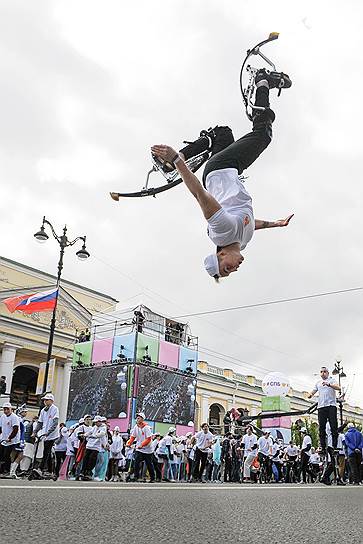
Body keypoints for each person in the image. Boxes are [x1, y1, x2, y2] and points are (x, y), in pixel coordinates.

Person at [151, 68, 293, 280]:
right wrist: (274, 224)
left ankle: (263, 80)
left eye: (226, 268)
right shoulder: (241, 241)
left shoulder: (222, 231)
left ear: (221, 253)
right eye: (231, 272)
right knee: (223, 134)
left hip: (222, 167)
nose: (234, 269)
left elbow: (200, 194)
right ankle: (196, 148)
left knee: (263, 135)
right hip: (223, 172)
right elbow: (250, 223)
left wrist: (177, 161)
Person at [307, 367, 341, 450]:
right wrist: (310, 395)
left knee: (333, 426)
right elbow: (313, 391)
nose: (323, 373)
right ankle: (322, 446)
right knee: (321, 427)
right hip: (321, 407)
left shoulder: (331, 380)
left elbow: (338, 388)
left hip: (331, 406)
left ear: (328, 373)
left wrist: (329, 384)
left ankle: (334, 445)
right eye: (321, 372)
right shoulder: (318, 382)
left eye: (325, 372)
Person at [33, 393, 59, 476]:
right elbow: (40, 423)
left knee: (46, 451)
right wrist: (35, 432)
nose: (45, 401)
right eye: (44, 400)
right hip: (45, 434)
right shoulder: (43, 410)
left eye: (47, 400)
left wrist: (49, 432)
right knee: (46, 452)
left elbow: (55, 423)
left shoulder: (55, 409)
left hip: (52, 434)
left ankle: (41, 468)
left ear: (51, 401)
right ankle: (48, 470)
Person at [126, 412, 155, 483]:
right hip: (139, 449)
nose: (137, 418)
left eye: (139, 417)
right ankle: (136, 476)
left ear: (142, 419)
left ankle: (152, 478)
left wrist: (141, 445)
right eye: (137, 417)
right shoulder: (136, 427)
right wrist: (129, 443)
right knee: (136, 462)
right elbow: (133, 437)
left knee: (149, 464)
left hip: (148, 450)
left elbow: (148, 439)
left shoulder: (146, 428)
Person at [0, 402, 20, 475]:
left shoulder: (14, 417)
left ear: (11, 409)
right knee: (1, 455)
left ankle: (7, 470)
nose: (6, 411)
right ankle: (2, 470)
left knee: (7, 455)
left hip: (12, 440)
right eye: (4, 409)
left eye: (7, 409)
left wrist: (10, 437)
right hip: (4, 439)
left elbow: (15, 429)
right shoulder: (2, 417)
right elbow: (0, 428)